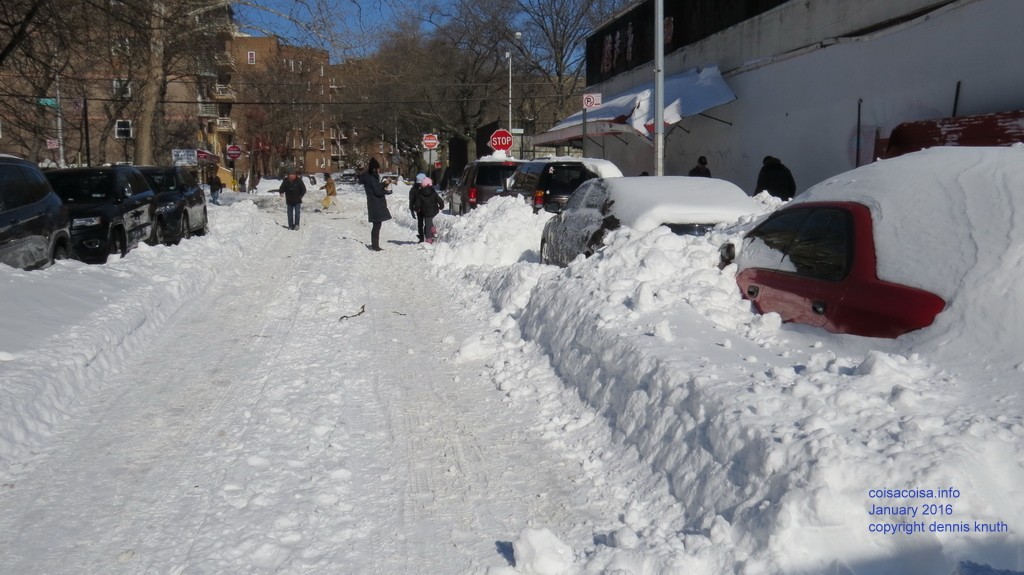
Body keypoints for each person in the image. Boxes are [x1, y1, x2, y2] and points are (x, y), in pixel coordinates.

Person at [359, 158, 391, 251]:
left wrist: (384, 184)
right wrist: (386, 192)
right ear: (375, 169)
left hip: (372, 202)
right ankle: (375, 245)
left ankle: (375, 244)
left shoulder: (369, 177)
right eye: (377, 168)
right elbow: (377, 192)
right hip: (376, 203)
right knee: (377, 225)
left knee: (376, 224)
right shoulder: (372, 178)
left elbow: (375, 188)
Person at [412, 177, 444, 244]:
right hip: (434, 209)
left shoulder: (420, 193)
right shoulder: (433, 191)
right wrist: (441, 206)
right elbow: (439, 199)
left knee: (427, 224)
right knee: (429, 222)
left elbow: (418, 203)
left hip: (426, 210)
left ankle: (428, 238)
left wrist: (416, 209)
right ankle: (432, 229)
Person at [408, 173, 427, 242]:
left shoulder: (413, 189)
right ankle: (427, 234)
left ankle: (421, 236)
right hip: (426, 208)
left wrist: (412, 209)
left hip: (418, 208)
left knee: (420, 223)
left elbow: (411, 200)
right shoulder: (427, 188)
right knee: (427, 222)